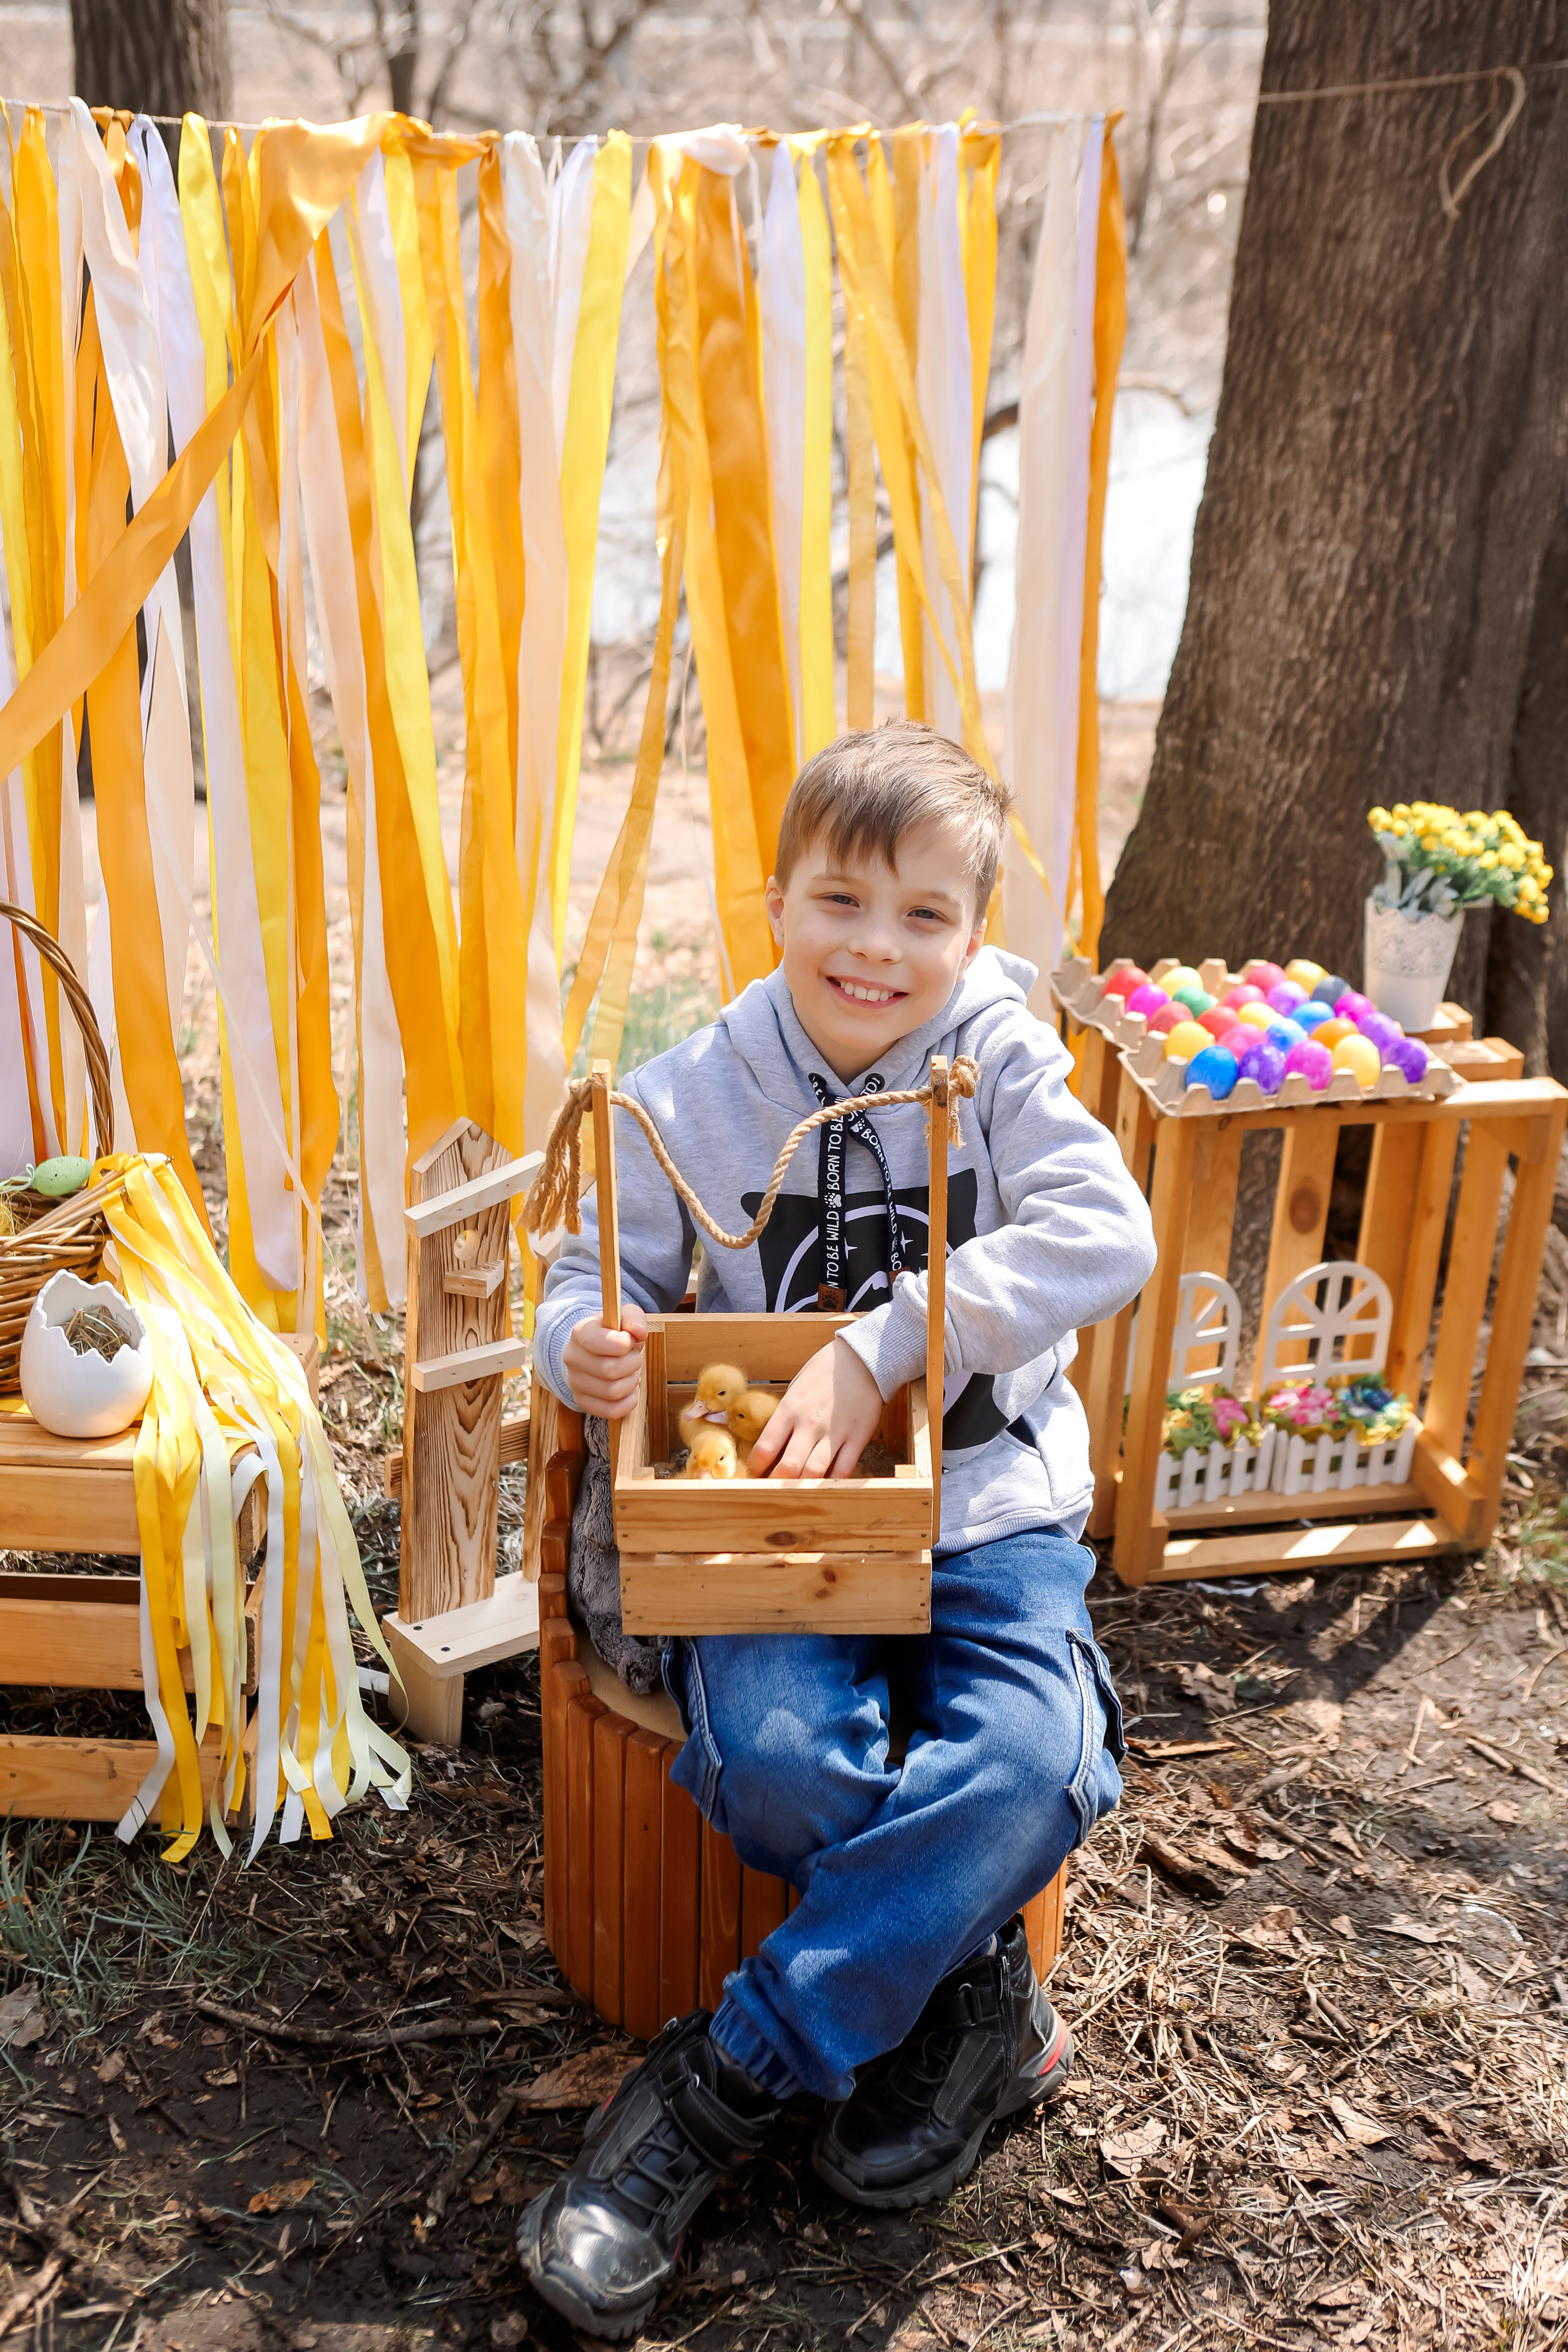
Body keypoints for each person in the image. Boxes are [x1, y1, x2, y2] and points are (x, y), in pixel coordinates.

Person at [520, 723, 1157, 2340]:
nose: (879, 947)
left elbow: (1111, 1233)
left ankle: (723, 2086)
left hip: (981, 1512)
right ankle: (975, 1991)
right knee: (784, 1764)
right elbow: (598, 1272)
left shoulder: (999, 1064)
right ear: (778, 900)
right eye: (843, 900)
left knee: (1027, 1764)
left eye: (926, 915)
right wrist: (578, 1349)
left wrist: (890, 1340)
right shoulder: (698, 1088)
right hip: (774, 1524)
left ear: (973, 928)